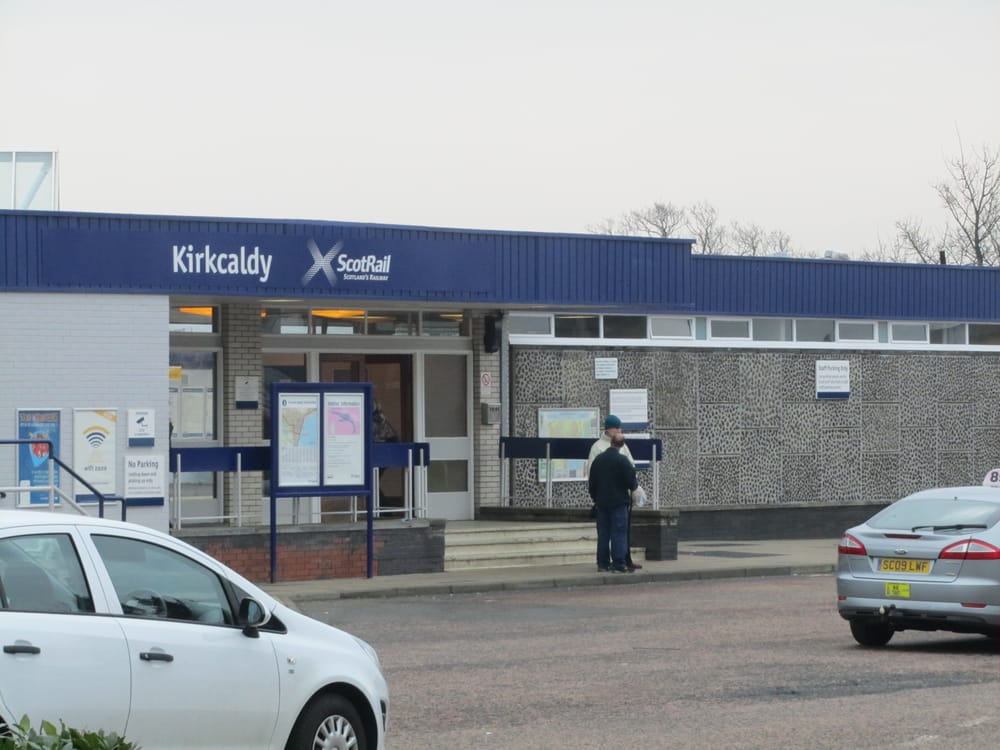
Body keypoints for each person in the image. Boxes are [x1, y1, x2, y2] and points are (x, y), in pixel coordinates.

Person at [586, 414, 643, 570]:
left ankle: (606, 563)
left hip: (603, 499)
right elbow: (630, 471)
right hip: (618, 498)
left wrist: (595, 496)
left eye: (620, 428)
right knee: (618, 531)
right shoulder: (597, 447)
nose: (619, 430)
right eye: (617, 427)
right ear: (609, 429)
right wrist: (633, 487)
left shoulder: (620, 448)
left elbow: (593, 479)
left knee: (606, 533)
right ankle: (619, 563)